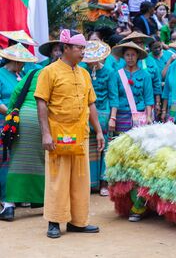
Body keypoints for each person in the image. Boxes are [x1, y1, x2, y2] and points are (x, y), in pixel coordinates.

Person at [34, 29, 104, 238]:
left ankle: (78, 222)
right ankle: (54, 221)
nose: (83, 52)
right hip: (58, 134)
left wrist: (98, 131)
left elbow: (91, 104)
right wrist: (45, 134)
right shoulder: (49, 71)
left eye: (84, 48)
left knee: (81, 181)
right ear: (66, 48)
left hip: (80, 135)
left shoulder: (83, 73)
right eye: (79, 48)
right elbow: (41, 103)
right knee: (58, 179)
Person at [0, 44, 39, 220]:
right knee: (5, 160)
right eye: (21, 62)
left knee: (18, 159)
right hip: (5, 121)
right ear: (14, 60)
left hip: (19, 120)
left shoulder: (22, 75)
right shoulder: (1, 74)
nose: (23, 66)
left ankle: (17, 198)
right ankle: (6, 200)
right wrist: (10, 113)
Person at [81, 41, 113, 196]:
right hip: (85, 112)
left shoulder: (109, 72)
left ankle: (103, 182)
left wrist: (112, 117)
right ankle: (89, 182)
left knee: (104, 146)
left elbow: (114, 97)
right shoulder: (82, 71)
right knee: (89, 146)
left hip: (104, 112)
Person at [109, 42, 154, 134]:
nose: (130, 58)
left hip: (140, 115)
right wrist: (113, 118)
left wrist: (149, 116)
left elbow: (148, 98)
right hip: (121, 115)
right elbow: (114, 98)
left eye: (133, 55)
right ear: (123, 56)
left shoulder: (146, 76)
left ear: (137, 56)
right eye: (127, 55)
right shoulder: (116, 75)